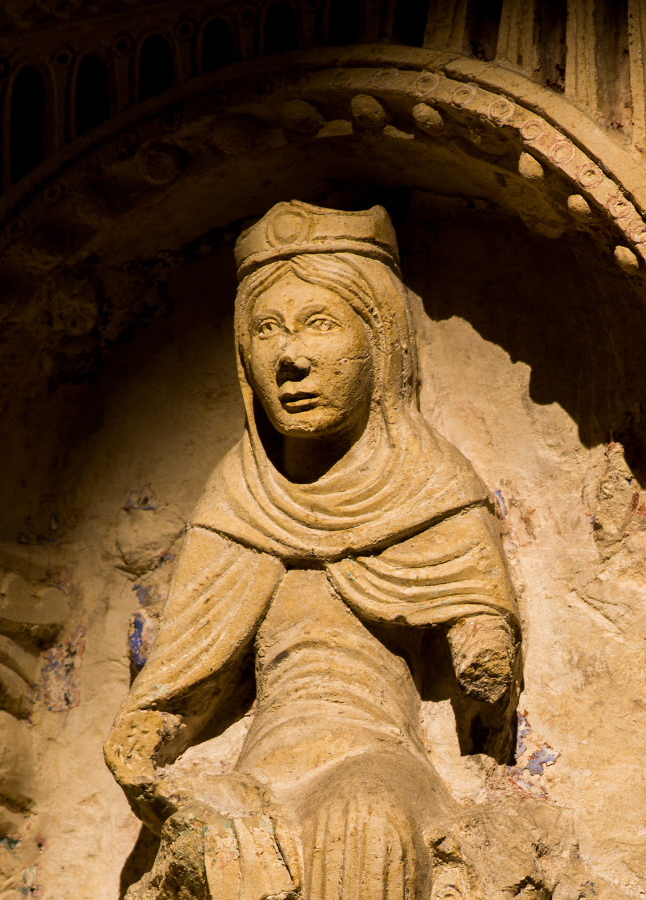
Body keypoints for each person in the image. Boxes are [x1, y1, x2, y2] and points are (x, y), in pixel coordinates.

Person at [104, 201, 520, 900]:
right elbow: (174, 690)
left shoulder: (435, 488)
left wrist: (483, 647)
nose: (290, 358)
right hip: (261, 765)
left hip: (379, 757)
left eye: (319, 324)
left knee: (362, 824)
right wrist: (151, 765)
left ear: (381, 340)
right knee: (217, 856)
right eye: (267, 331)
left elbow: (487, 683)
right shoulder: (238, 499)